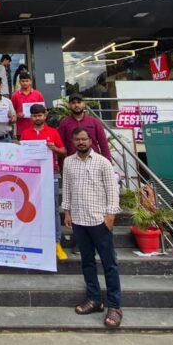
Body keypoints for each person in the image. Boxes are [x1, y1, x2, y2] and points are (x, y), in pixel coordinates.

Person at [62, 127, 122, 328]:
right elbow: (67, 188)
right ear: (73, 141)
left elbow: (112, 190)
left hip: (99, 220)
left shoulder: (103, 162)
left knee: (109, 264)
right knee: (87, 262)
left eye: (84, 139)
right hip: (79, 220)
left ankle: (115, 306)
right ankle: (94, 299)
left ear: (90, 141)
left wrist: (110, 215)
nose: (81, 142)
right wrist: (67, 211)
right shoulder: (68, 162)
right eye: (77, 139)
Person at [20, 104, 68, 261]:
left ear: (45, 115)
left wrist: (54, 148)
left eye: (40, 115)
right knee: (31, 207)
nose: (37, 118)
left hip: (50, 174)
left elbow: (63, 151)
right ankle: (33, 239)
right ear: (31, 117)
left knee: (53, 209)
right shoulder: (25, 133)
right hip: (31, 175)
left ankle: (56, 243)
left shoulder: (53, 132)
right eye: (34, 115)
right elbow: (22, 154)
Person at [58, 94, 111, 160]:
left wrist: (108, 161)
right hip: (73, 162)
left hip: (93, 161)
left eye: (79, 102)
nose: (76, 105)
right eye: (73, 103)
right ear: (69, 105)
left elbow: (103, 143)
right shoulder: (64, 124)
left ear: (84, 104)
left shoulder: (94, 122)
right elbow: (60, 146)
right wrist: (62, 164)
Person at [11, 71, 45, 138]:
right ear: (19, 82)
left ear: (30, 81)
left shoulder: (38, 94)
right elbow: (12, 112)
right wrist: (17, 115)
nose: (25, 83)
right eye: (23, 81)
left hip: (37, 128)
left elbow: (44, 111)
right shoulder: (15, 95)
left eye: (27, 81)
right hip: (21, 129)